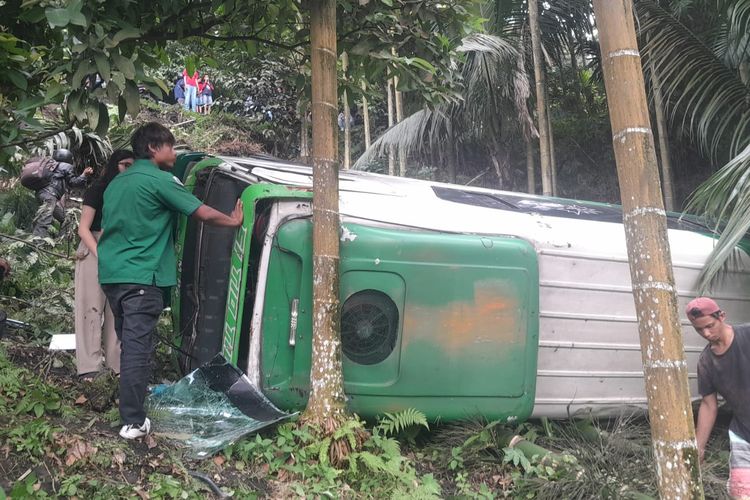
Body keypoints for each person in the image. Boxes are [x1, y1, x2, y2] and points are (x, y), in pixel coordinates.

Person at [97, 122, 243, 440]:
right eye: (170, 147)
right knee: (137, 349)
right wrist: (232, 220)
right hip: (142, 277)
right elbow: (201, 212)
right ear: (153, 148)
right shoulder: (160, 181)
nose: (174, 153)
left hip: (113, 276)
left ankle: (132, 402)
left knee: (129, 344)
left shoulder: (117, 183)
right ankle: (133, 421)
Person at [74, 150, 135, 381]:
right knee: (90, 306)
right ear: (113, 165)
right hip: (94, 245)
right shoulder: (98, 189)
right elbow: (84, 228)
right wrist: (101, 254)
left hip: (119, 248)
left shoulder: (131, 192)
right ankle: (89, 367)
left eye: (132, 166)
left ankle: (115, 364)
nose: (128, 170)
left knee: (116, 308)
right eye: (124, 165)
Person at [687, 297, 750, 498]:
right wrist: (699, 447)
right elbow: (708, 405)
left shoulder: (747, 334)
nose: (706, 333)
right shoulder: (706, 362)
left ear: (721, 316)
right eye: (699, 330)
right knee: (740, 491)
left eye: (709, 326)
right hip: (743, 432)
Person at [31, 148, 93, 238]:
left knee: (64, 219)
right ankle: (37, 244)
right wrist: (84, 175)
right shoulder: (66, 166)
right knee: (44, 220)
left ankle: (61, 242)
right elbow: (73, 182)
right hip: (50, 196)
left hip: (41, 194)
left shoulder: (50, 166)